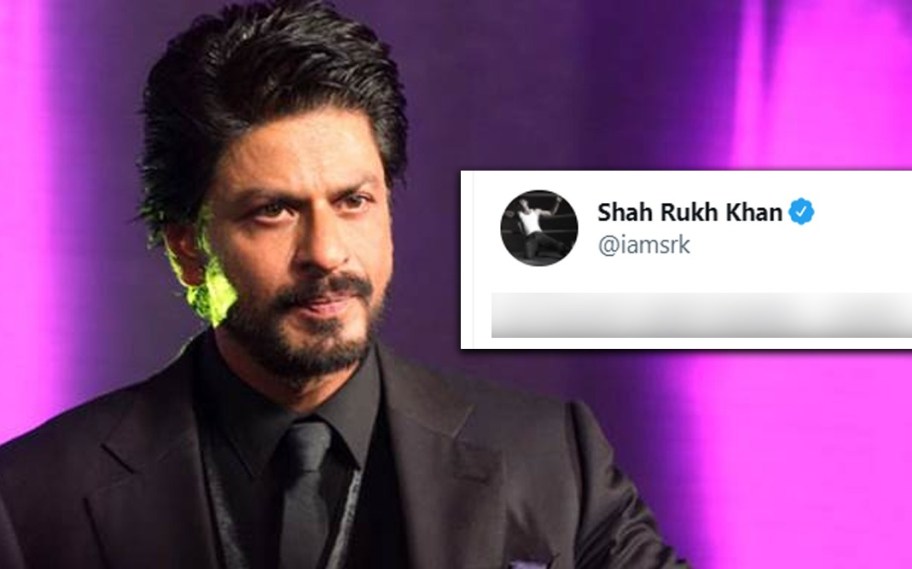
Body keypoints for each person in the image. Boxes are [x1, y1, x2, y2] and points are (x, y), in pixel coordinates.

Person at [0, 1, 687, 568]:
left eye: (353, 201)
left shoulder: (552, 461)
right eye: (274, 211)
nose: (326, 252)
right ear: (189, 249)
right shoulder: (33, 498)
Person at [505, 196, 572, 260]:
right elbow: (507, 213)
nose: (521, 203)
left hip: (539, 234)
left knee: (557, 245)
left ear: (526, 202)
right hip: (530, 237)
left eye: (522, 201)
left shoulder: (536, 211)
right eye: (519, 203)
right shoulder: (519, 214)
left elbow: (551, 213)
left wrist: (557, 202)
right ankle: (536, 247)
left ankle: (569, 250)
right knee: (528, 256)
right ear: (518, 206)